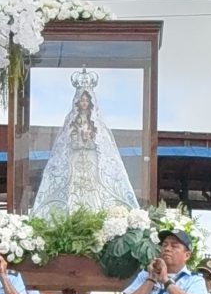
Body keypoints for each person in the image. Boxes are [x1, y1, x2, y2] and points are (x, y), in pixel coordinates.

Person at [30, 69, 138, 218]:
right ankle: (73, 215)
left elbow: (102, 145)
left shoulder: (97, 122)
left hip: (91, 158)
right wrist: (78, 138)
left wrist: (90, 138)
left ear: (91, 102)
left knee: (91, 187)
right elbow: (65, 144)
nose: (84, 103)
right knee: (75, 187)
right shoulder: (71, 121)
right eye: (82, 100)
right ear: (77, 102)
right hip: (75, 159)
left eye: (87, 100)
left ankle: (93, 213)